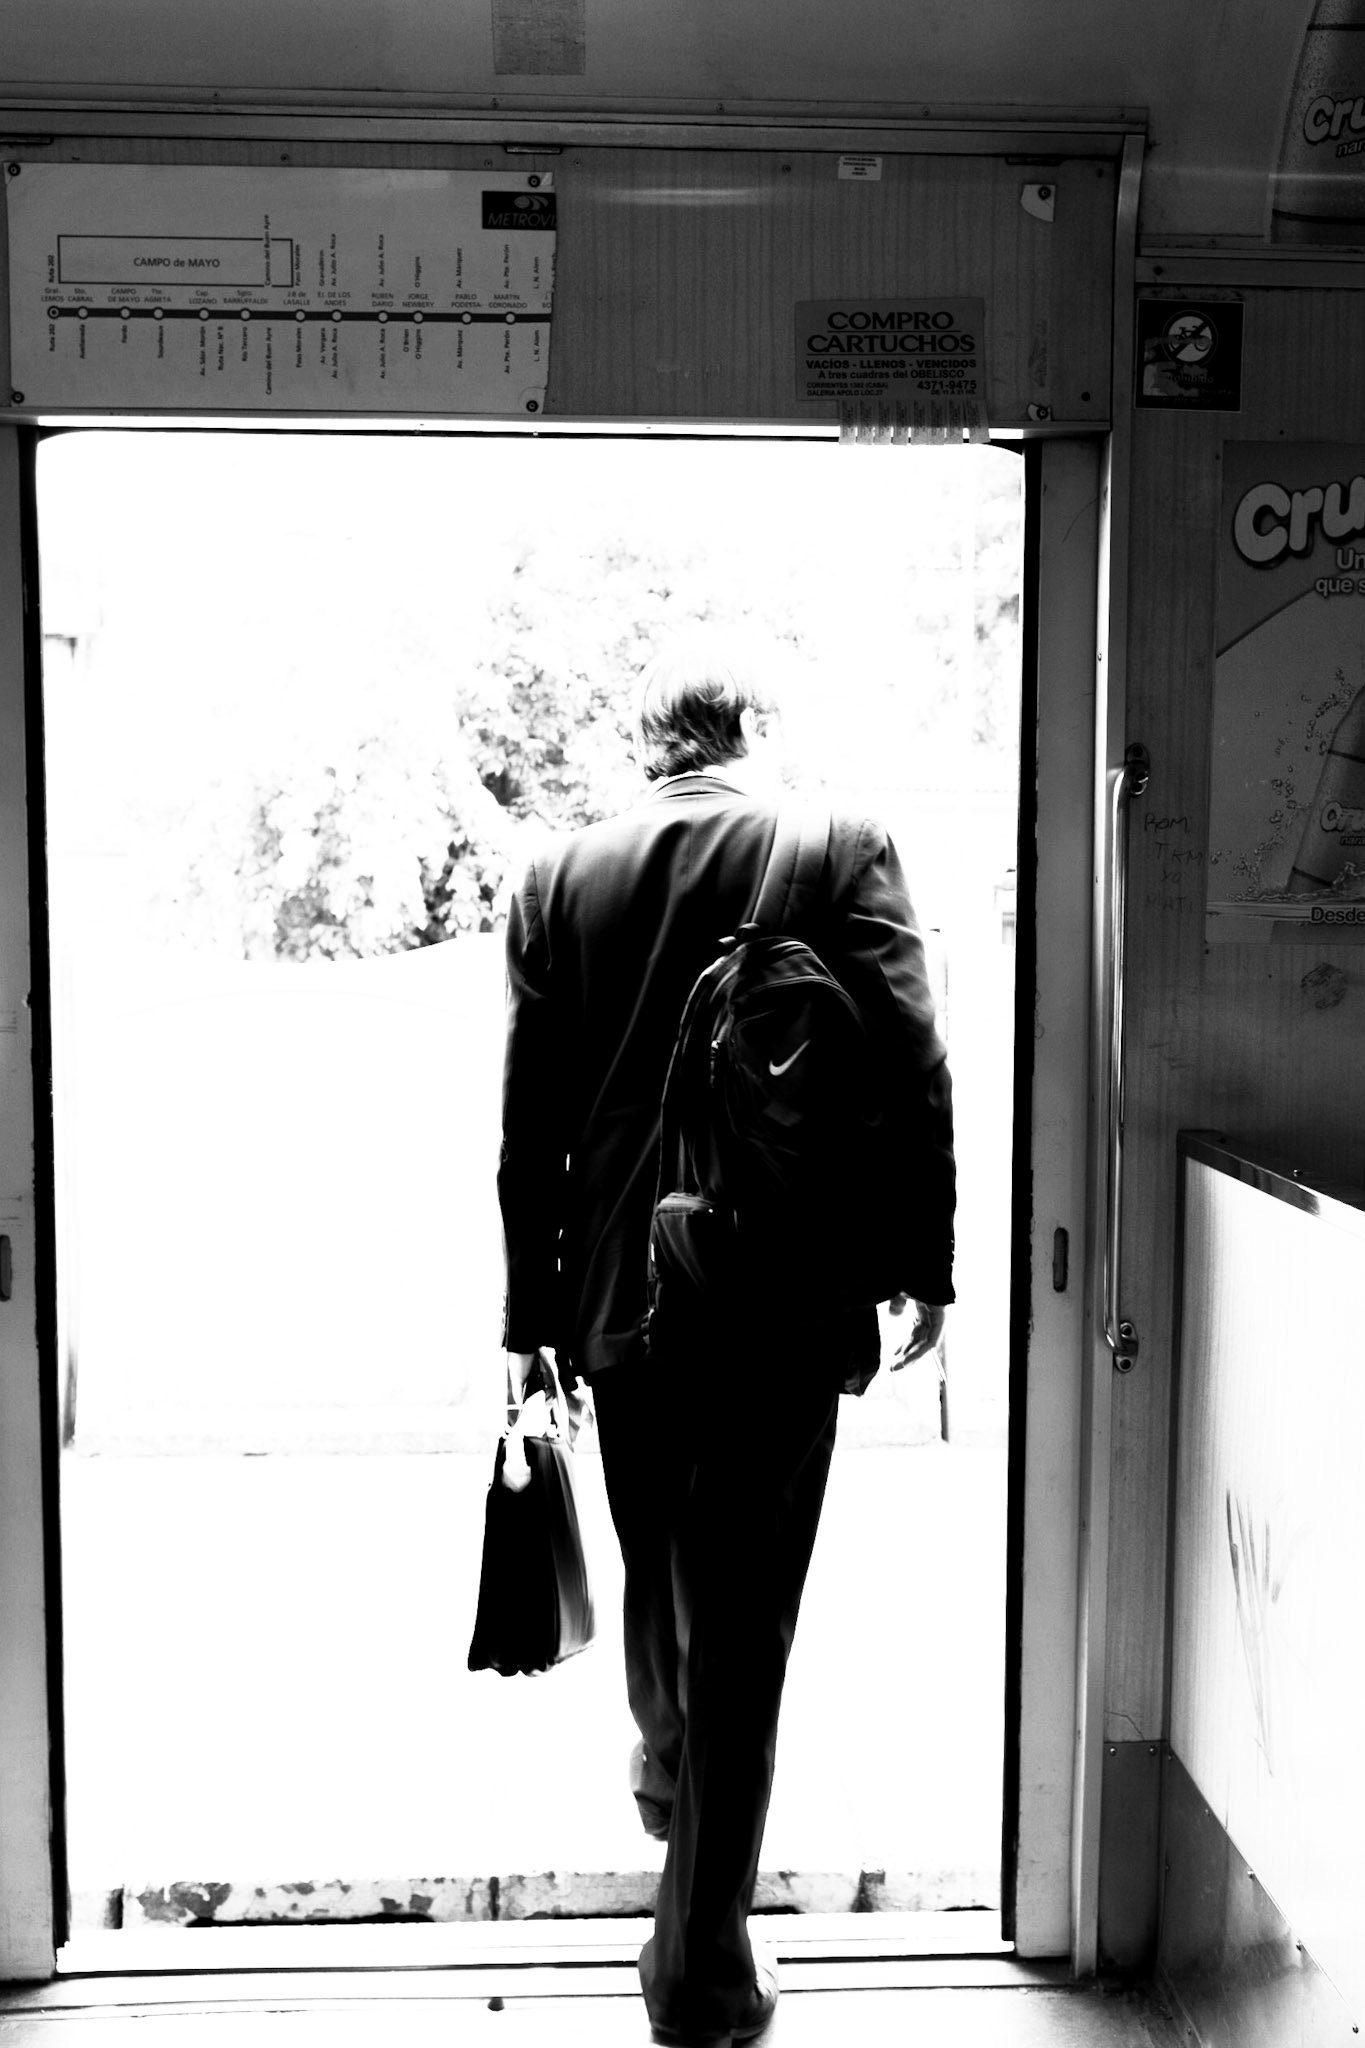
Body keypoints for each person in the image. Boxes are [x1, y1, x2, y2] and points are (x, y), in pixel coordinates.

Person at [498, 638, 954, 2048]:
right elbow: (913, 1064)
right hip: (776, 1293)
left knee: (660, 1558)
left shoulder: (557, 877)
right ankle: (698, 1969)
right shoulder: (836, 845)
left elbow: (528, 1127)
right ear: (747, 726)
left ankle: (668, 1770)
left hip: (615, 1300)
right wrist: (922, 1269)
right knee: (746, 1617)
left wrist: (529, 1320)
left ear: (644, 746)